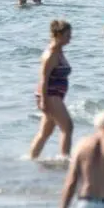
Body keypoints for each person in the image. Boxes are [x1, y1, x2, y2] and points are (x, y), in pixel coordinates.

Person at [29, 20, 73, 159]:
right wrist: (43, 101)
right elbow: (44, 78)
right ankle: (64, 160)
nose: (70, 38)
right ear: (58, 35)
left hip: (55, 95)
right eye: (67, 35)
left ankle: (31, 158)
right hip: (49, 95)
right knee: (68, 127)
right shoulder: (51, 54)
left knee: (45, 132)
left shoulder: (59, 51)